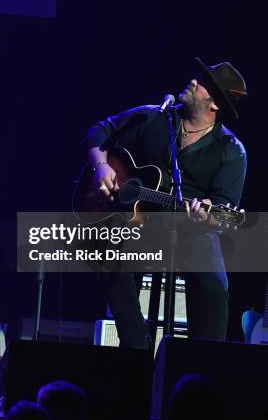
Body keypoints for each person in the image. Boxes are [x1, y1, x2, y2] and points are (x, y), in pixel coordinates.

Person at [87, 59, 247, 348]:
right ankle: (136, 345)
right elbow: (100, 129)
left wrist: (205, 216)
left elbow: (223, 212)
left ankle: (199, 365)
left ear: (215, 105)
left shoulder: (231, 150)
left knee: (214, 288)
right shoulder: (154, 117)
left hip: (192, 231)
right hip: (139, 222)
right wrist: (101, 166)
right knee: (110, 257)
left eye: (204, 83)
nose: (194, 81)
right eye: (197, 75)